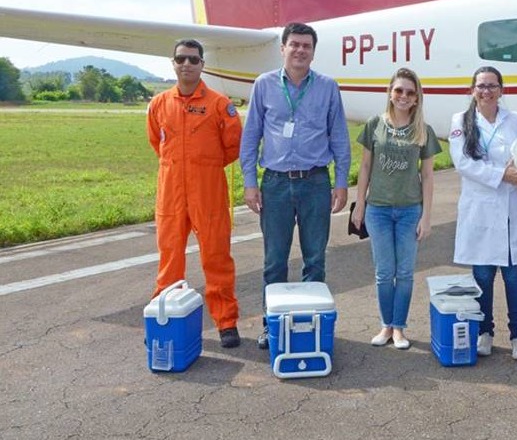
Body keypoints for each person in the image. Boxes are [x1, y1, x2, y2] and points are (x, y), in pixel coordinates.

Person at [239, 22, 351, 350]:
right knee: (275, 259)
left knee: (315, 258)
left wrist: (341, 183)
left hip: (316, 182)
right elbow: (251, 138)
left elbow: (340, 138)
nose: (300, 50)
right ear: (283, 48)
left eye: (307, 45)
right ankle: (270, 324)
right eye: (295, 44)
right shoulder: (264, 85)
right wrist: (249, 183)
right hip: (274, 184)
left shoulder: (328, 87)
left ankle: (308, 322)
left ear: (313, 52)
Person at [147, 39, 243, 348]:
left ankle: (226, 322)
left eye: (193, 59)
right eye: (181, 59)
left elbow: (233, 146)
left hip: (208, 192)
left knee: (216, 258)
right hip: (171, 193)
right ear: (173, 63)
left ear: (202, 64)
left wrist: (205, 167)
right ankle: (166, 320)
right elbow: (155, 142)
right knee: (169, 259)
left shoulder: (219, 104)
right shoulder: (159, 104)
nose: (186, 64)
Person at [449, 66, 517, 361]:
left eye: (492, 86)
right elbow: (463, 163)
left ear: (501, 90)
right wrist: (504, 174)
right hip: (481, 210)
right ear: (472, 90)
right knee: (483, 277)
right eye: (481, 86)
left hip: (512, 209)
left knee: (515, 277)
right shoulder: (461, 122)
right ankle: (484, 333)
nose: (486, 91)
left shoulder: (516, 120)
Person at [351, 68, 441, 350]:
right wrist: (360, 205)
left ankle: (399, 328)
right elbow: (365, 167)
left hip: (409, 210)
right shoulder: (374, 124)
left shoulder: (423, 130)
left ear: (417, 99)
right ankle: (385, 325)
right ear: (390, 92)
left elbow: (427, 176)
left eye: (410, 92)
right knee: (383, 271)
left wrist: (426, 216)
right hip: (377, 210)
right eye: (399, 90)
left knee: (404, 272)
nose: (403, 96)